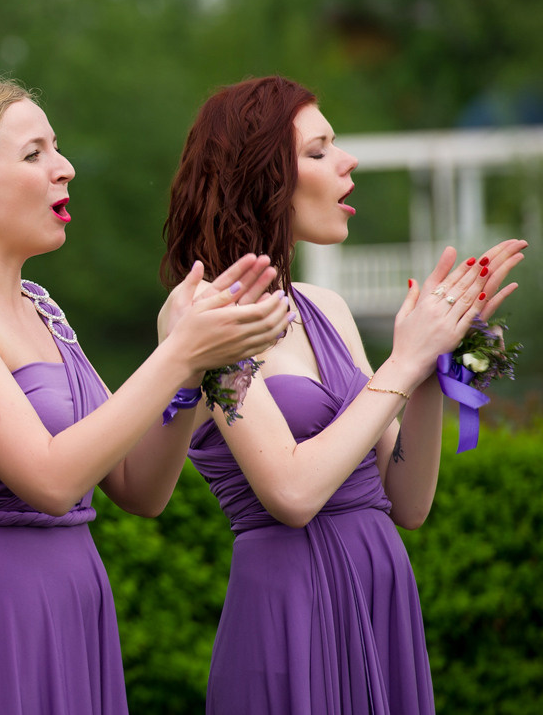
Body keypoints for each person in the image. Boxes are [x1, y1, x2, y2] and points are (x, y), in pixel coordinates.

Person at [0, 76, 294, 714]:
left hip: (74, 606)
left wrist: (197, 365)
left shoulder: (42, 308)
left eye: (56, 149)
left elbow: (141, 488)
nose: (65, 168)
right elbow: (51, 481)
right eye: (34, 154)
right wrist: (177, 353)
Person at [160, 75, 527, 714]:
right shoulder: (203, 318)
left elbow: (406, 500)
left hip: (382, 593)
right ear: (260, 175)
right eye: (319, 150)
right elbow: (292, 494)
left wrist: (433, 365)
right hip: (289, 610)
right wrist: (403, 361)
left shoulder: (326, 309)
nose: (347, 161)